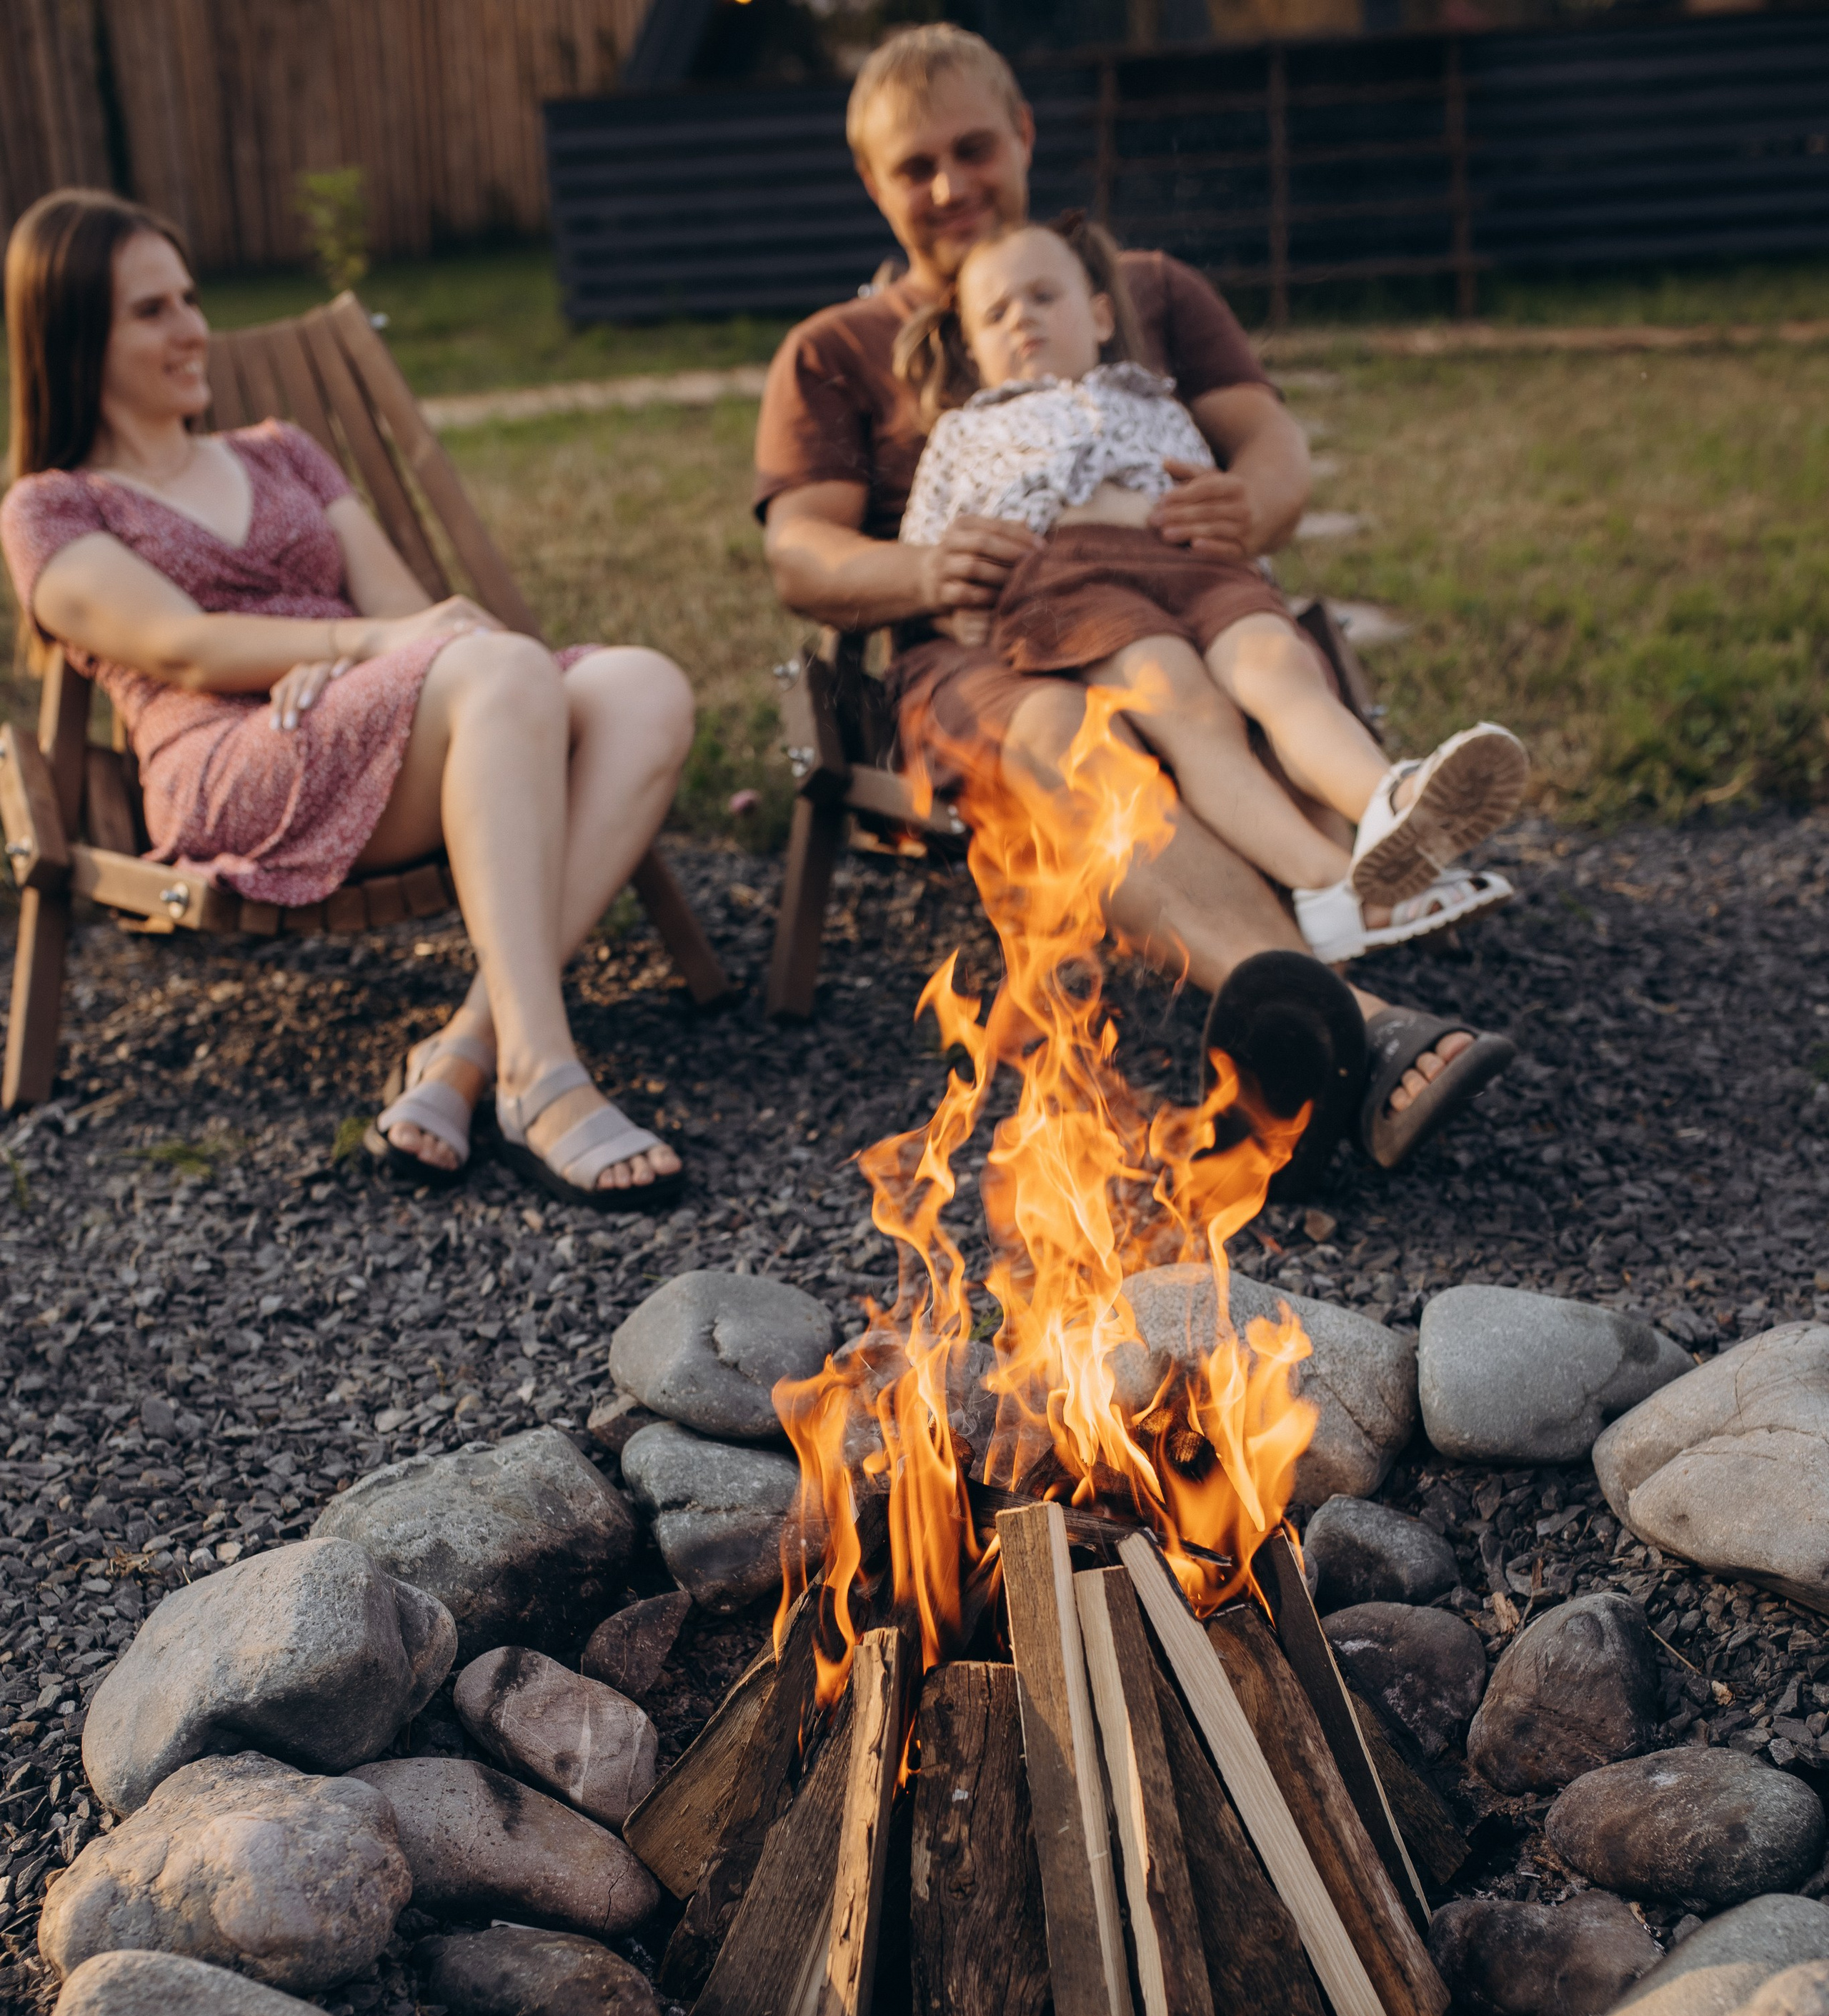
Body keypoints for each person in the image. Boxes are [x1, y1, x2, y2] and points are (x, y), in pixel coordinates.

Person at [754, 23, 1519, 1177]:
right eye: (916, 168)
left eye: (973, 148)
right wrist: (919, 571)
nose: (952, 185)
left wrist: (1240, 509)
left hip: (1183, 587)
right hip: (982, 652)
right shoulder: (840, 346)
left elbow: (1271, 446)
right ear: (872, 182)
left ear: (1023, 134)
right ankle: (1354, 1022)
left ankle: (1324, 983)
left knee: (1248, 676)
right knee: (1078, 729)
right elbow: (801, 553)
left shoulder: (1148, 284)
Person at [1, 189, 691, 1203]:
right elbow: (185, 648)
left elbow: (431, 625)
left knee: (645, 686)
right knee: (493, 669)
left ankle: (463, 1051)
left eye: (190, 299)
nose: (193, 328)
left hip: (375, 718)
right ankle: (543, 1072)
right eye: (151, 311)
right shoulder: (53, 508)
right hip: (231, 756)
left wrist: (378, 663)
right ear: (72, 333)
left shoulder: (282, 450)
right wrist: (361, 644)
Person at [898, 214, 1527, 967]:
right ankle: (1326, 883)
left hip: (1192, 561)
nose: (1022, 318)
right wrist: (958, 608)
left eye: (1043, 295)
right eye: (996, 313)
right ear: (972, 349)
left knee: (1275, 665)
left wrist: (1239, 554)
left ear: (1101, 314)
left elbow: (1215, 502)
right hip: (1070, 576)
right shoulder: (964, 433)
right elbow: (932, 548)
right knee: (1186, 703)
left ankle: (1392, 804)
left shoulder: (1156, 402)